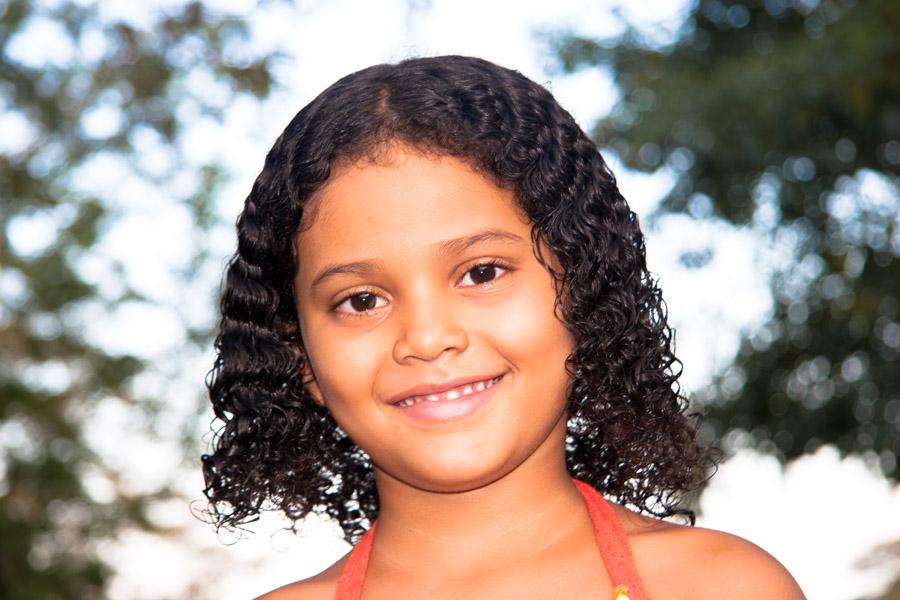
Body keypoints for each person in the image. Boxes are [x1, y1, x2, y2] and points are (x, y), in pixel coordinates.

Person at [202, 55, 805, 599]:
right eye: (361, 301)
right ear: (298, 355)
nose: (427, 337)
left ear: (583, 290)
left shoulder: (725, 586)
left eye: (481, 272)